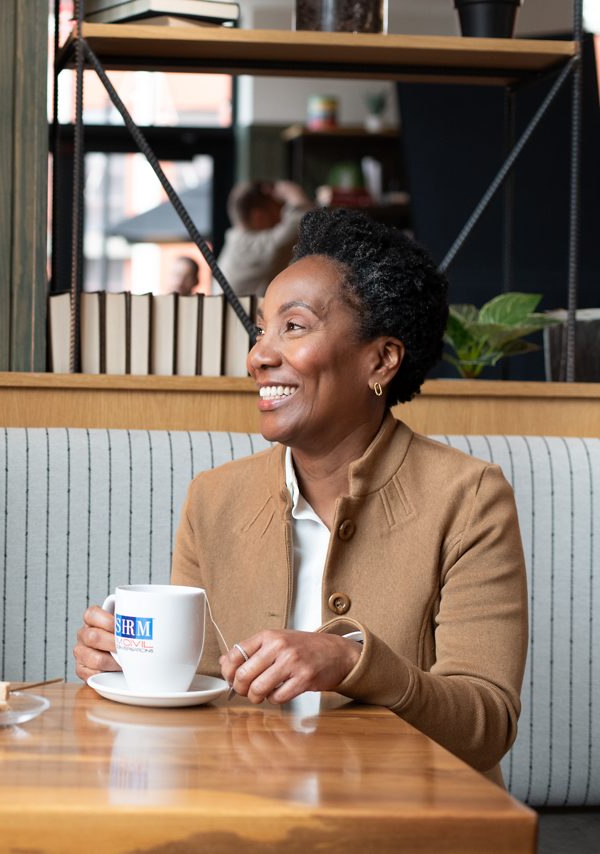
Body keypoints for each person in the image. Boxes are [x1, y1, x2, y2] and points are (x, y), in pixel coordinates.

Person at [74, 208, 528, 781]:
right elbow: (205, 696)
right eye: (261, 329)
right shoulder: (213, 499)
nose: (259, 356)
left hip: (407, 822)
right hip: (248, 817)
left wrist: (353, 660)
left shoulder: (469, 497)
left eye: (294, 326)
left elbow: (486, 725)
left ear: (381, 360)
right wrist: (129, 667)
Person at [214, 180, 312, 297]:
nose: (280, 216)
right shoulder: (257, 248)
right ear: (258, 216)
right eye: (277, 208)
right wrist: (292, 192)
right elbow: (306, 219)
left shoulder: (236, 243)